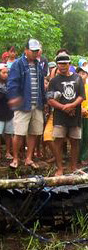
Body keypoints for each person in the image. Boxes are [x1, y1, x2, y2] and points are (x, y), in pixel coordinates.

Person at [7, 39, 46, 169]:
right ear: (26, 50)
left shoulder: (38, 65)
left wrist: (44, 101)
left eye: (36, 51)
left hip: (37, 103)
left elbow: (41, 85)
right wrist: (14, 97)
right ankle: (15, 158)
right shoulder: (18, 64)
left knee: (34, 132)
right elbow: (12, 83)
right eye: (33, 51)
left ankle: (29, 158)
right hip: (23, 105)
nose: (35, 53)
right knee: (19, 133)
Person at [48, 53, 85, 175]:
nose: (62, 66)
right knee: (58, 141)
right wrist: (64, 107)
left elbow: (81, 96)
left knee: (75, 141)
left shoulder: (77, 78)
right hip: (59, 116)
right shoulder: (53, 81)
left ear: (69, 64)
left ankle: (73, 167)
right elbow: (50, 99)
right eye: (60, 64)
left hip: (75, 115)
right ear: (57, 65)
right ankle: (60, 168)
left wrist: (72, 105)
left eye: (64, 63)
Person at [0, 64, 13, 160]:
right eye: (3, 72)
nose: (6, 75)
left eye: (7, 73)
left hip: (9, 112)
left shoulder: (10, 83)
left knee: (9, 133)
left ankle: (8, 152)